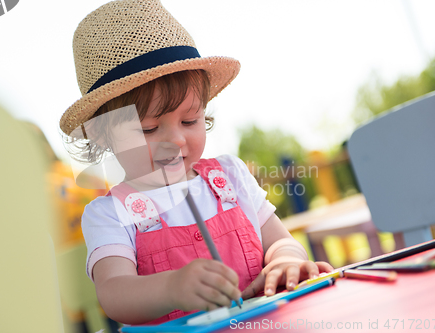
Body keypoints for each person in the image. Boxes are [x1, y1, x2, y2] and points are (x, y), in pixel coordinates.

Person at [59, 0, 333, 325]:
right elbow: (115, 293)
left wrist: (284, 261)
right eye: (148, 128)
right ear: (104, 135)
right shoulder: (109, 214)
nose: (175, 140)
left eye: (190, 121)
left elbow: (282, 242)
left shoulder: (229, 176)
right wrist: (172, 288)